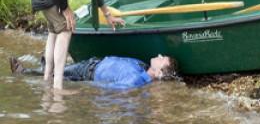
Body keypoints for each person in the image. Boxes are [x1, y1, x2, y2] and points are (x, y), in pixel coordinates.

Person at [9, 54, 178, 90]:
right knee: (55, 70)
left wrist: (82, 85)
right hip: (93, 63)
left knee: (56, 74)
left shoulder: (137, 80)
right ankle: (45, 66)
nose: (159, 55)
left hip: (87, 73)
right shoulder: (141, 66)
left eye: (163, 59)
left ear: (160, 72)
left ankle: (23, 73)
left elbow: (110, 89)